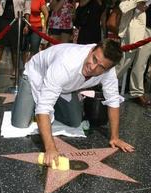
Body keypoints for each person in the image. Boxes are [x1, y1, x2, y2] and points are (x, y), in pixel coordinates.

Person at [11, 39, 135, 167]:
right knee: (20, 124)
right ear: (91, 50)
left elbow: (113, 100)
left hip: (64, 87)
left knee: (75, 122)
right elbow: (43, 107)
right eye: (94, 59)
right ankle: (29, 100)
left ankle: (51, 99)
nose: (93, 67)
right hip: (35, 76)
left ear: (107, 69)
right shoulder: (66, 62)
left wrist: (115, 137)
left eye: (101, 67)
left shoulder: (108, 72)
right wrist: (51, 148)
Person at [0, 0, 31, 79]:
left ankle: (15, 71)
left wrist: (26, 25)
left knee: (15, 47)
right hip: (3, 18)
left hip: (17, 20)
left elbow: (27, 9)